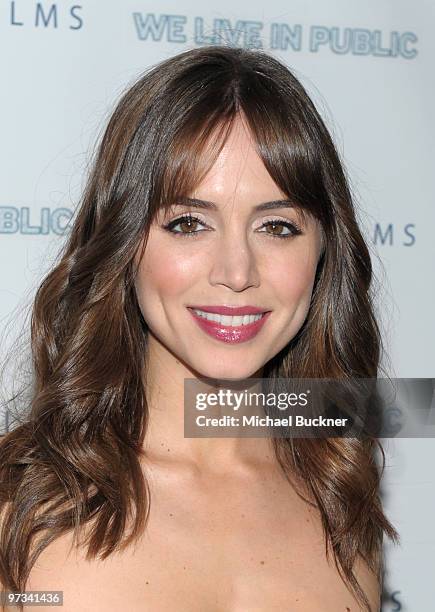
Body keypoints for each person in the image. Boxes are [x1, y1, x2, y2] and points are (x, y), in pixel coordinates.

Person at [0, 45, 398, 611]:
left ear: (324, 251)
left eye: (278, 226)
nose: (236, 273)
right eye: (188, 223)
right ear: (124, 243)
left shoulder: (341, 498)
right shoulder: (18, 508)